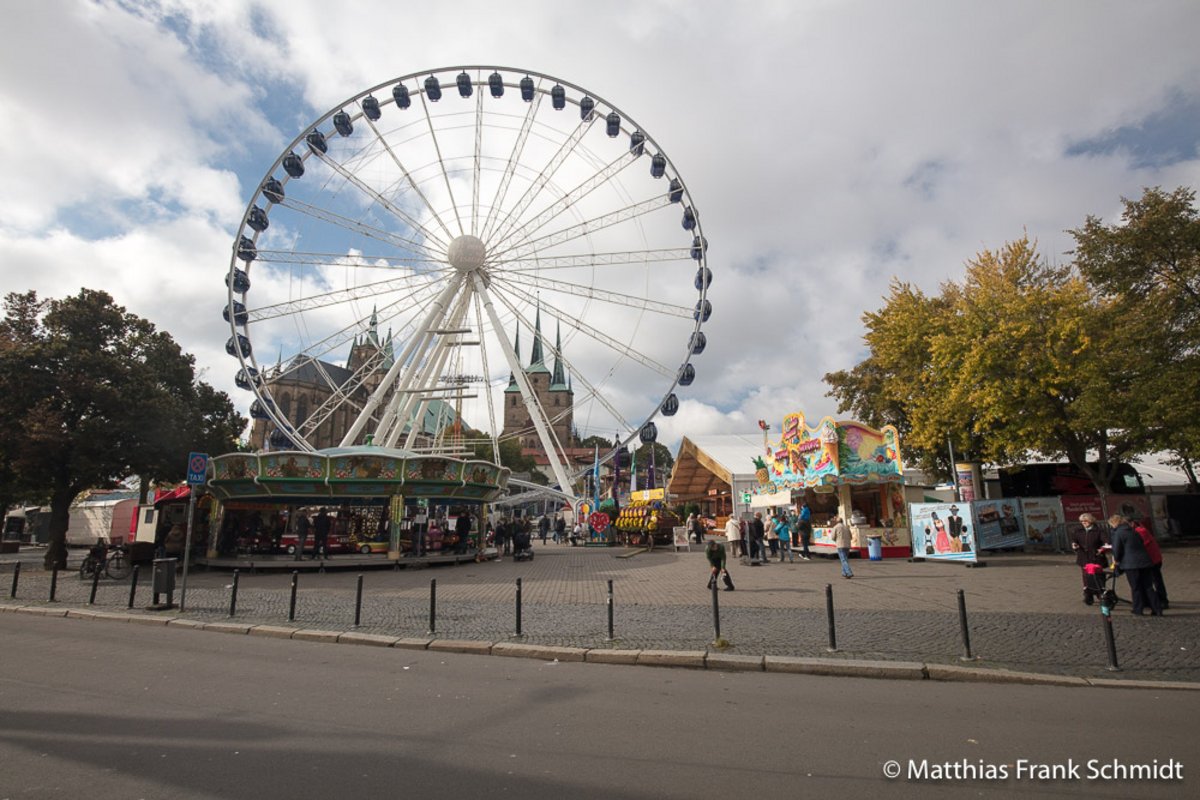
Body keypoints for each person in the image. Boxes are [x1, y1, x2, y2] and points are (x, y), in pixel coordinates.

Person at [1109, 514, 1162, 616]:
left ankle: (1138, 609)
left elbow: (1117, 550)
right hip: (1145, 561)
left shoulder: (1118, 533)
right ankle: (1157, 608)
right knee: (1148, 586)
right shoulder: (1133, 531)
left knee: (1136, 587)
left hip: (1131, 564)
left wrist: (1116, 561)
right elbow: (1141, 542)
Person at [1071, 513, 1109, 605]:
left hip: (1096, 557)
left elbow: (1106, 541)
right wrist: (1074, 545)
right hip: (1083, 557)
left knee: (1098, 576)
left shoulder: (1098, 530)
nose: (1083, 523)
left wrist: (1103, 548)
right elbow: (1074, 540)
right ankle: (1088, 594)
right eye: (1082, 521)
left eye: (1085, 521)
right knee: (1085, 576)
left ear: (1091, 521)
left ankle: (1100, 593)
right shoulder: (1078, 530)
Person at [1132, 517, 1168, 609]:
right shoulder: (1140, 529)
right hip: (1152, 559)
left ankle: (1162, 600)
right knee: (1155, 579)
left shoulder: (1140, 531)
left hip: (1152, 560)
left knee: (1156, 580)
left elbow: (1143, 545)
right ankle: (1156, 599)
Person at [832, 514, 854, 579]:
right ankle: (844, 573)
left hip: (840, 545)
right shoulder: (846, 527)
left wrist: (836, 540)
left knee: (843, 559)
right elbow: (851, 537)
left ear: (837, 522)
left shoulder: (835, 527)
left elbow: (833, 537)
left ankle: (849, 572)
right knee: (845, 559)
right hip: (847, 545)